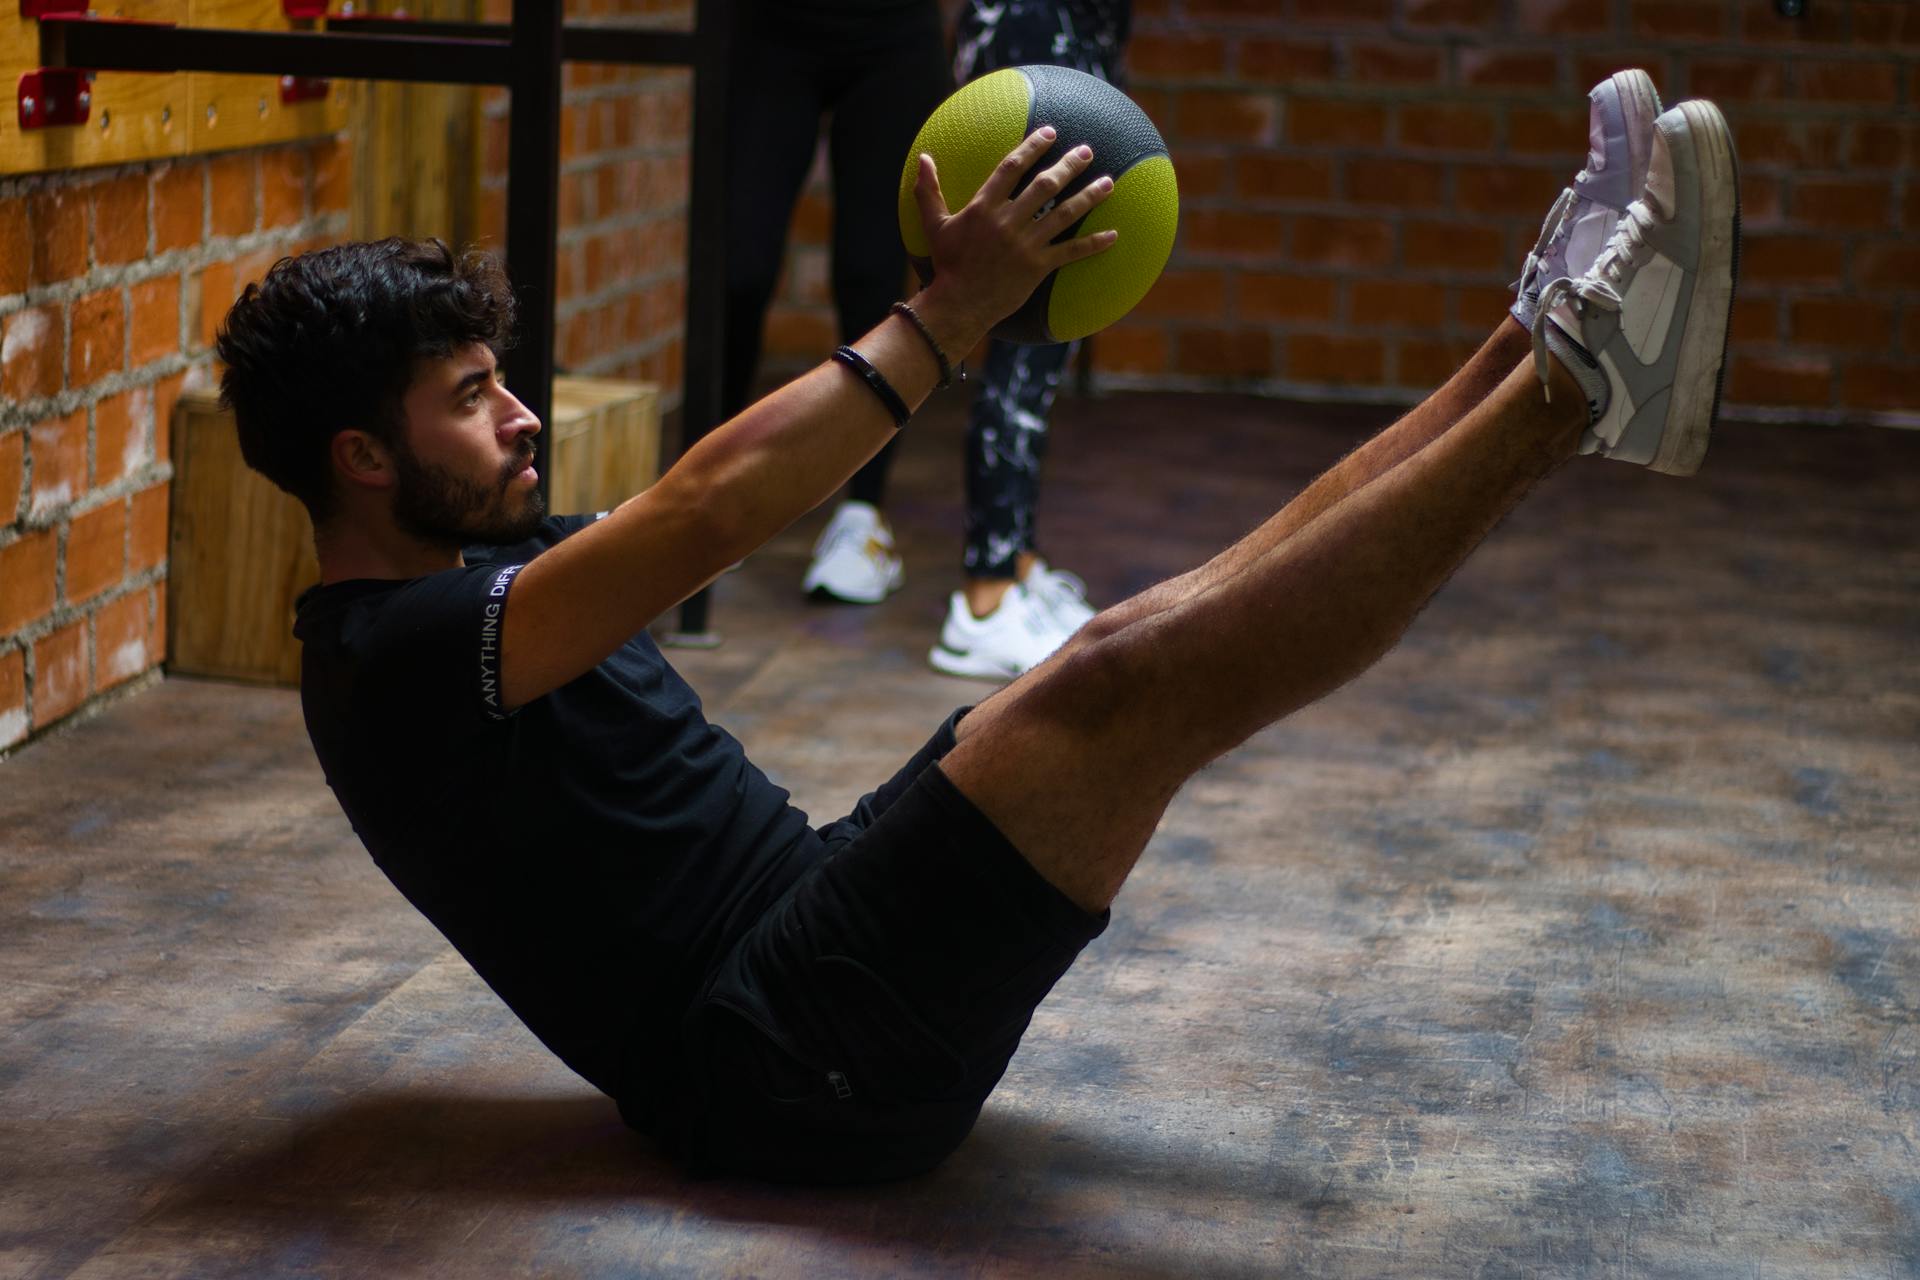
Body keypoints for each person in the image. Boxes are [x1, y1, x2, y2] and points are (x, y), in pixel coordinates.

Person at [216, 78, 1738, 1183]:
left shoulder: (467, 569)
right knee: (1126, 686)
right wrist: (950, 316)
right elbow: (702, 515)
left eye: (502, 375)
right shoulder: (392, 657)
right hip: (783, 1062)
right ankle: (1578, 390)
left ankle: (1535, 340)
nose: (520, 411)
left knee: (1121, 646)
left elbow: (701, 498)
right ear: (361, 456)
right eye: (471, 397)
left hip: (805, 935)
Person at [719, 0, 948, 608]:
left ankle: (862, 516)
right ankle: (712, 493)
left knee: (870, 274)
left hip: (896, 33)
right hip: (772, 30)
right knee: (736, 268)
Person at [928, 0, 1132, 680]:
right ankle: (983, 605)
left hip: (1078, 20)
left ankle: (1014, 568)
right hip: (1033, 19)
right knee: (1032, 309)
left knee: (1051, 315)